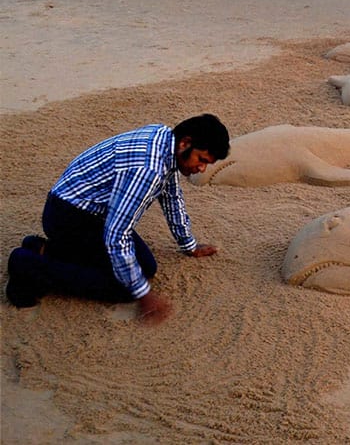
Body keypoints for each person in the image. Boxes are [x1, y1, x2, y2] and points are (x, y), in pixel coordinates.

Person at [5, 114, 230, 324]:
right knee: (125, 287)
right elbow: (116, 235)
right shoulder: (148, 170)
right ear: (185, 143)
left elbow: (171, 196)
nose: (201, 168)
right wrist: (144, 295)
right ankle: (26, 265)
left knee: (145, 268)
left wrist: (188, 244)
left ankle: (42, 249)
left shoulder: (164, 138)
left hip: (87, 210)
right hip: (69, 216)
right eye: (201, 159)